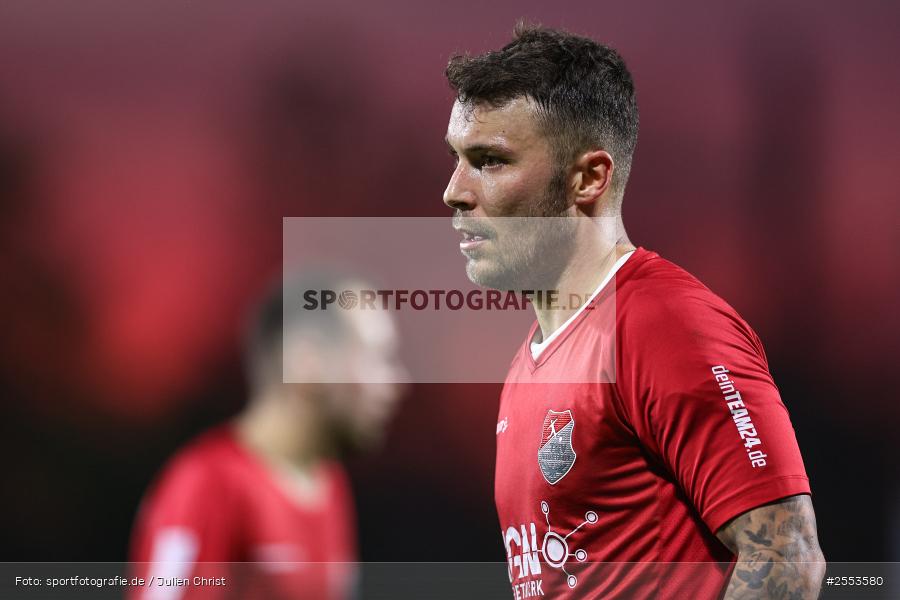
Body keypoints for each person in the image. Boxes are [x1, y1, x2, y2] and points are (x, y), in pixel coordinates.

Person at [442, 23, 825, 599]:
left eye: (490, 161)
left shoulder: (663, 324)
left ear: (589, 178)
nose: (454, 191)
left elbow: (786, 557)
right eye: (457, 158)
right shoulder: (534, 358)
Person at [128, 271, 406, 600]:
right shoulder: (208, 486)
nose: (397, 383)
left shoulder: (330, 484)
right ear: (308, 363)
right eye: (376, 359)